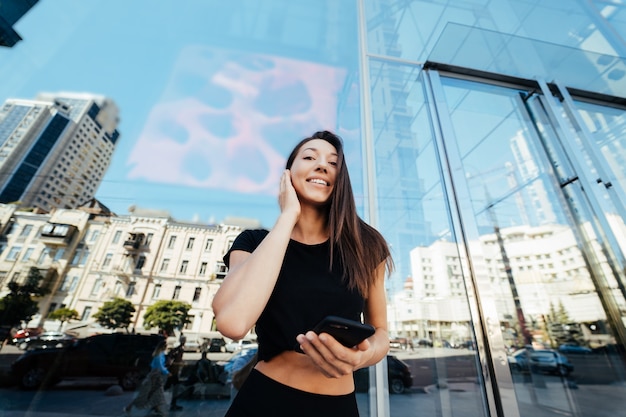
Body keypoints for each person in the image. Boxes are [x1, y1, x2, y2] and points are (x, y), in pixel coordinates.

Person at [212, 130, 393, 417]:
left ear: (341, 179)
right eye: (309, 157)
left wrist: (365, 354)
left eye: (333, 163)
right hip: (264, 400)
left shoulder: (366, 246)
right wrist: (287, 218)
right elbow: (233, 323)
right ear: (288, 174)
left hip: (338, 407)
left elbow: (381, 331)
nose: (322, 165)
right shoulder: (254, 242)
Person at [124, 339, 170, 417]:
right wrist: (167, 372)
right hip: (154, 376)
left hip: (156, 376)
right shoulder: (158, 355)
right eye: (166, 347)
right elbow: (160, 366)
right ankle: (129, 407)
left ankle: (157, 409)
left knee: (155, 393)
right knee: (149, 393)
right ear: (163, 347)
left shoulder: (160, 354)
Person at [165, 340, 186, 411]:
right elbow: (169, 363)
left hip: (174, 374)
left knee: (172, 387)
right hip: (172, 374)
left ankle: (173, 404)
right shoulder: (174, 355)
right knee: (168, 387)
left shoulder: (177, 354)